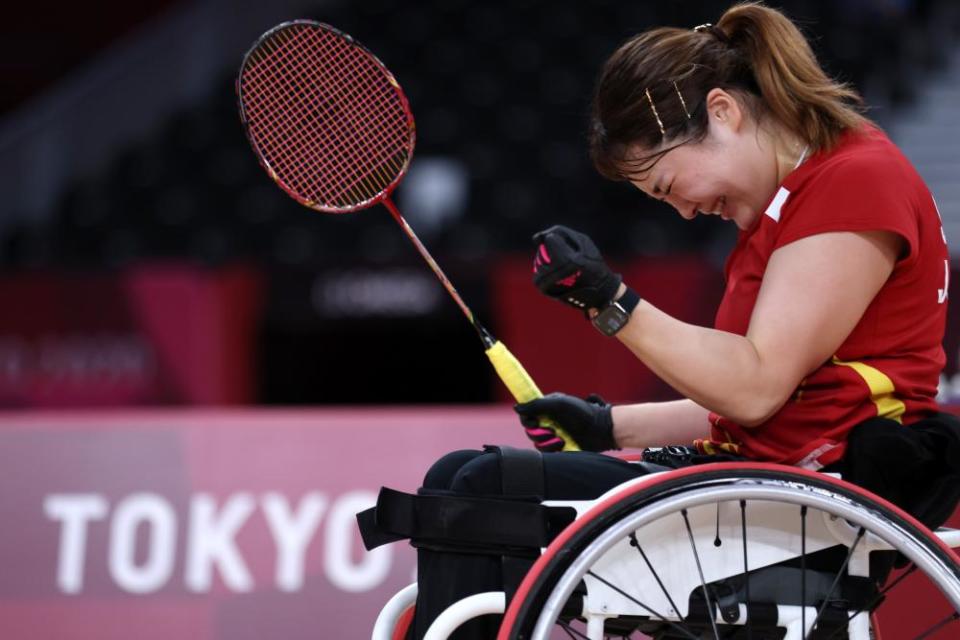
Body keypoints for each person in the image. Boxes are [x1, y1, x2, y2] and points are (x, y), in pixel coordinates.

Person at [359, 3, 960, 638]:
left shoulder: (854, 181)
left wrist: (612, 303)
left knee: (479, 487)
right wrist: (602, 424)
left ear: (723, 113)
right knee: (456, 479)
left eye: (670, 184)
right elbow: (775, 397)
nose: (683, 212)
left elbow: (754, 390)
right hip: (757, 479)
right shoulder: (782, 208)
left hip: (808, 499)